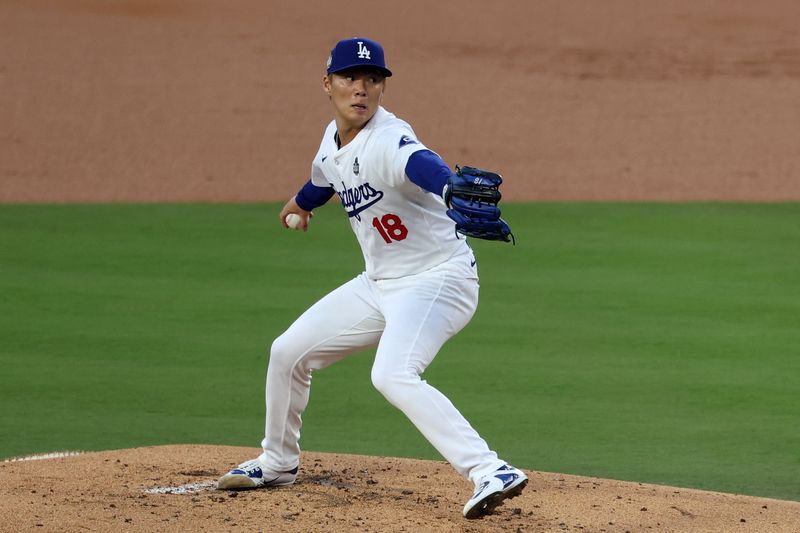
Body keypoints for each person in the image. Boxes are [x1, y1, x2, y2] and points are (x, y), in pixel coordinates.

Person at [217, 36, 526, 519]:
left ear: (382, 88)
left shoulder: (388, 138)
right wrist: (300, 204)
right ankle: (277, 462)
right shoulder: (333, 139)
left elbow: (420, 163)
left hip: (437, 279)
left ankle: (490, 469)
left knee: (392, 374)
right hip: (378, 284)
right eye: (350, 78)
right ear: (328, 84)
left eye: (372, 79)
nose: (361, 88)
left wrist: (447, 186)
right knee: (287, 352)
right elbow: (324, 177)